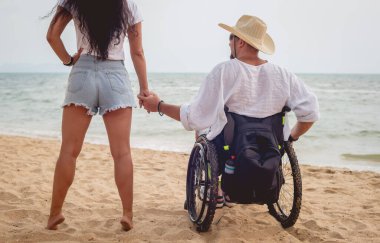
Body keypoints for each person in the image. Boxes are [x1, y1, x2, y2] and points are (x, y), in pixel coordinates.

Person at [138, 15, 319, 206]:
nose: (228, 43)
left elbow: (193, 117)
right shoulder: (284, 75)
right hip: (270, 149)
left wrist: (159, 105)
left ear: (239, 42)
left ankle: (213, 188)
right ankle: (231, 189)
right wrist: (289, 138)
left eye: (230, 39)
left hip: (227, 151)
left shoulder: (224, 71)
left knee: (202, 129)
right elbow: (310, 112)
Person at [46, 0, 148, 231]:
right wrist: (144, 89)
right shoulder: (129, 5)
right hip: (115, 75)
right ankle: (127, 215)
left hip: (82, 72)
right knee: (122, 153)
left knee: (69, 151)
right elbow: (137, 51)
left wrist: (68, 60)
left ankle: (54, 214)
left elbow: (52, 36)